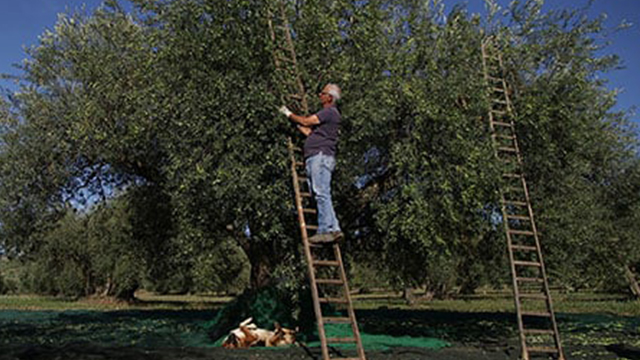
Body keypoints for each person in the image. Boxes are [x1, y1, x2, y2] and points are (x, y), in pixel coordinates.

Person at [279, 84, 343, 243]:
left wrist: (289, 114)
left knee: (320, 192)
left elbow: (308, 122)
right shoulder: (329, 116)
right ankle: (334, 228)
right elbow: (309, 131)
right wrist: (296, 122)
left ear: (330, 97)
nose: (320, 95)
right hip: (318, 156)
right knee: (322, 192)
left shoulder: (329, 112)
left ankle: (325, 230)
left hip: (319, 157)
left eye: (323, 93)